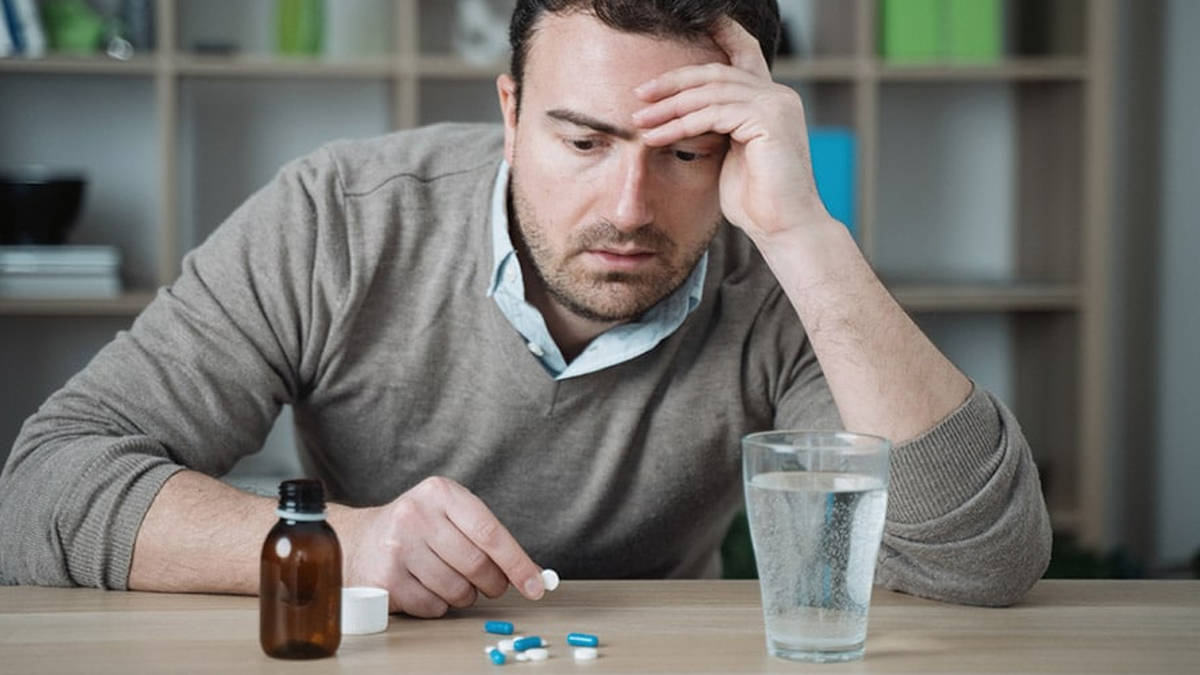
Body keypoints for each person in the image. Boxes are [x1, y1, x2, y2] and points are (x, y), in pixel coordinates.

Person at [0, 0, 1051, 617]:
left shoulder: (777, 273)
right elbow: (46, 484)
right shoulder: (339, 218)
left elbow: (980, 564)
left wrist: (807, 240)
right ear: (509, 113)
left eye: (685, 152)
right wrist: (344, 548)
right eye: (583, 142)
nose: (628, 208)